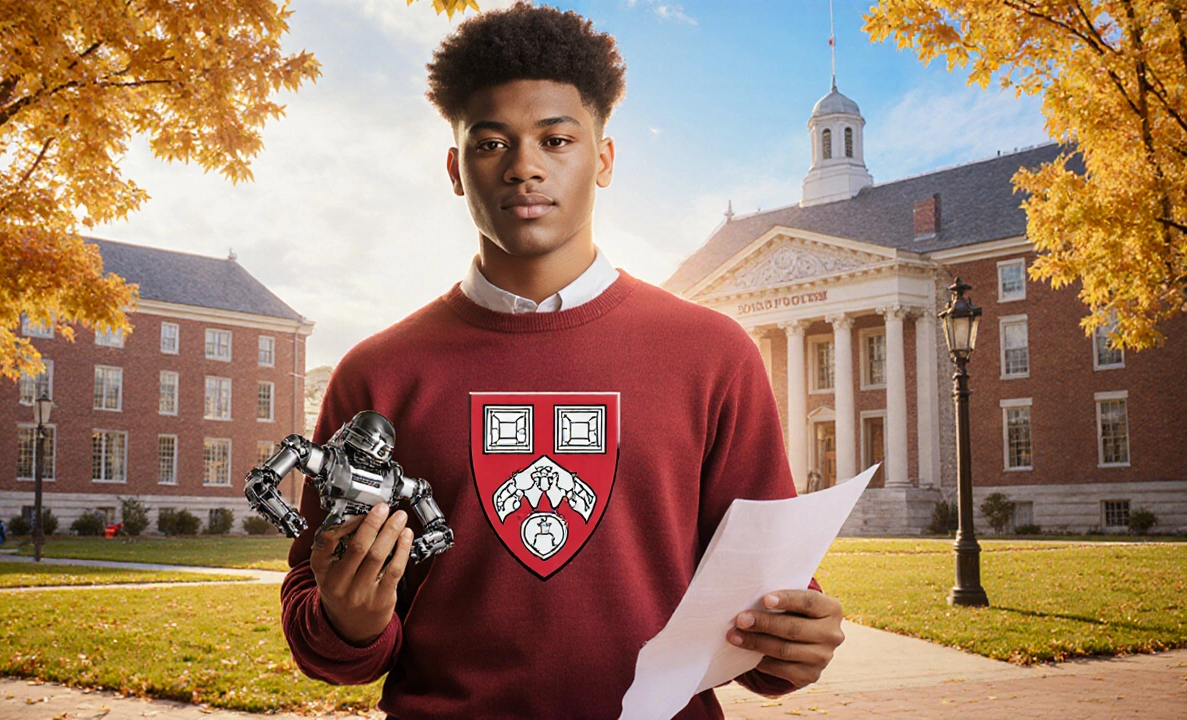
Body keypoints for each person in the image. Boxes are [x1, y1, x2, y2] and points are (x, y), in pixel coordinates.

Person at [280, 4, 845, 717]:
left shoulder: (713, 353)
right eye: (491, 144)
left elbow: (765, 597)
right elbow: (317, 612)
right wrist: (349, 620)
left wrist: (793, 639)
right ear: (456, 170)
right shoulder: (379, 375)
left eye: (555, 139)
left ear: (603, 159)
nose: (524, 167)